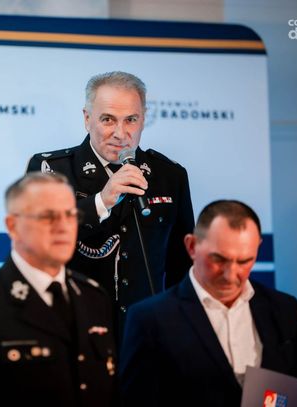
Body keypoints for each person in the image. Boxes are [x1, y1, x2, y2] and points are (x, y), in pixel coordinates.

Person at [26, 71, 194, 335]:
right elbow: (35, 243)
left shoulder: (170, 175)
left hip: (147, 332)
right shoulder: (51, 170)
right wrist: (101, 201)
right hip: (73, 330)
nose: (120, 133)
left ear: (143, 119)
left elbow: (182, 264)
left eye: (131, 120)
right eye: (108, 119)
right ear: (87, 119)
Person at [0, 172, 117, 407]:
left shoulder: (93, 297)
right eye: (48, 216)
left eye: (70, 215)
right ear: (13, 226)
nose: (63, 227)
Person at [119, 200, 297, 406]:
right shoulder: (150, 319)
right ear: (192, 246)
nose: (230, 275)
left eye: (244, 261)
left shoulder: (285, 309)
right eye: (219, 260)